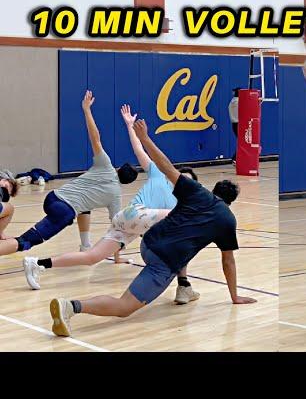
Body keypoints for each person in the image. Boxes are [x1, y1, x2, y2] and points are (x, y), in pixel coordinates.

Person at [49, 118, 256, 338]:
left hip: (147, 243)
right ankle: (71, 306)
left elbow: (166, 166)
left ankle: (184, 287)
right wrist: (234, 296)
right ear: (231, 201)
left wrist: (145, 137)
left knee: (185, 235)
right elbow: (228, 262)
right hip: (164, 261)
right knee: (124, 306)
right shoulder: (227, 220)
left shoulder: (197, 191)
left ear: (214, 188)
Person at [23, 104, 200, 305]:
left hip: (126, 224)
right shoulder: (158, 174)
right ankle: (184, 284)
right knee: (186, 224)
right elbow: (139, 149)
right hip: (135, 213)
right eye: (182, 178)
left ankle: (37, 264)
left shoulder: (183, 200)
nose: (184, 183)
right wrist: (130, 126)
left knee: (91, 257)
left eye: (189, 182)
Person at [0, 90, 137, 258]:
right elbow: (116, 227)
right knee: (25, 242)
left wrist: (86, 109)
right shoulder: (116, 196)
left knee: (85, 208)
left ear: (118, 169)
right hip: (64, 211)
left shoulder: (106, 165)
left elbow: (96, 138)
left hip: (52, 198)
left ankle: (85, 245)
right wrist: (117, 256)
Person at [229, 87, 240, 163]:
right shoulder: (239, 101)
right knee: (243, 142)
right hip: (239, 124)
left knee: (241, 141)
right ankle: (235, 158)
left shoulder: (232, 101)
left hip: (234, 124)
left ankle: (236, 158)